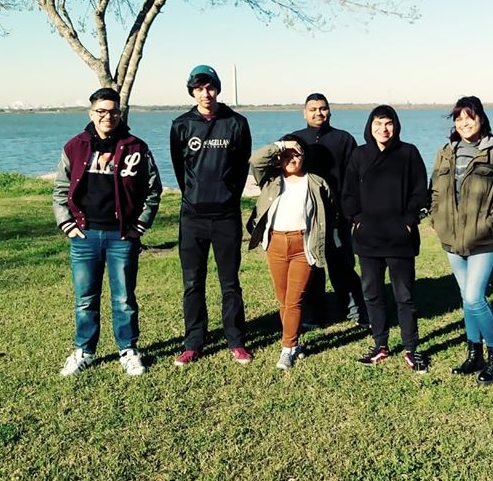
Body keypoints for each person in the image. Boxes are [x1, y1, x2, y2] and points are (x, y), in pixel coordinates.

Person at [52, 87, 162, 377]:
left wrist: (140, 224)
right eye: (101, 111)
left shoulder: (136, 148)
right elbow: (60, 190)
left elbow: (153, 189)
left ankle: (128, 350)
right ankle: (84, 351)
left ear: (120, 114)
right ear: (91, 113)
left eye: (113, 111)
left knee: (124, 298)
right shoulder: (75, 147)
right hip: (85, 237)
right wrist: (67, 223)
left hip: (122, 237)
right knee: (85, 298)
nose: (107, 116)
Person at [430, 96, 493, 385]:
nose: (463, 123)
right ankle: (475, 354)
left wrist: (490, 227)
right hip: (451, 239)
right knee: (465, 298)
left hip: (484, 240)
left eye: (468, 117)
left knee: (474, 298)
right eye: (458, 118)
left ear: (480, 118)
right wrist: (438, 221)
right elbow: (434, 192)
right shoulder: (445, 153)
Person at [169, 64, 253, 367]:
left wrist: (227, 196)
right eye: (199, 88)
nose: (205, 93)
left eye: (210, 87)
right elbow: (181, 171)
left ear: (217, 88)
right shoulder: (181, 125)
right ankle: (194, 341)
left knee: (229, 282)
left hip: (226, 216)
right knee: (193, 282)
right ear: (192, 91)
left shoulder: (236, 123)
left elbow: (242, 167)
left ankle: (235, 339)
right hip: (193, 217)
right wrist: (195, 196)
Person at [342, 105, 430, 373]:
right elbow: (347, 192)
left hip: (399, 238)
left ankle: (411, 348)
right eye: (378, 124)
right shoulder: (360, 155)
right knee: (372, 293)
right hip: (368, 238)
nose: (383, 129)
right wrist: (356, 218)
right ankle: (380, 344)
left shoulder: (408, 153)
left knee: (405, 295)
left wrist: (408, 220)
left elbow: (420, 191)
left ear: (396, 126)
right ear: (370, 126)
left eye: (388, 123)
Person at [248, 135, 335, 369]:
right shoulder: (271, 180)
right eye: (286, 154)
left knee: (294, 300)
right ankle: (295, 344)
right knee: (283, 300)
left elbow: (327, 214)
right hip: (275, 244)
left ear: (304, 156)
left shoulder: (316, 182)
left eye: (296, 153)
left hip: (302, 245)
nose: (291, 158)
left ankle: (287, 348)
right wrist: (280, 145)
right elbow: (255, 161)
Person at [292, 93, 367, 326]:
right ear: (304, 113)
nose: (318, 113)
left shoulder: (343, 139)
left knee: (341, 263)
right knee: (311, 265)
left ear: (329, 112)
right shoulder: (295, 139)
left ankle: (356, 310)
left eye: (322, 109)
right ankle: (315, 313)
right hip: (305, 216)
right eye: (313, 109)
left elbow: (355, 178)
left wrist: (351, 211)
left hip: (337, 215)